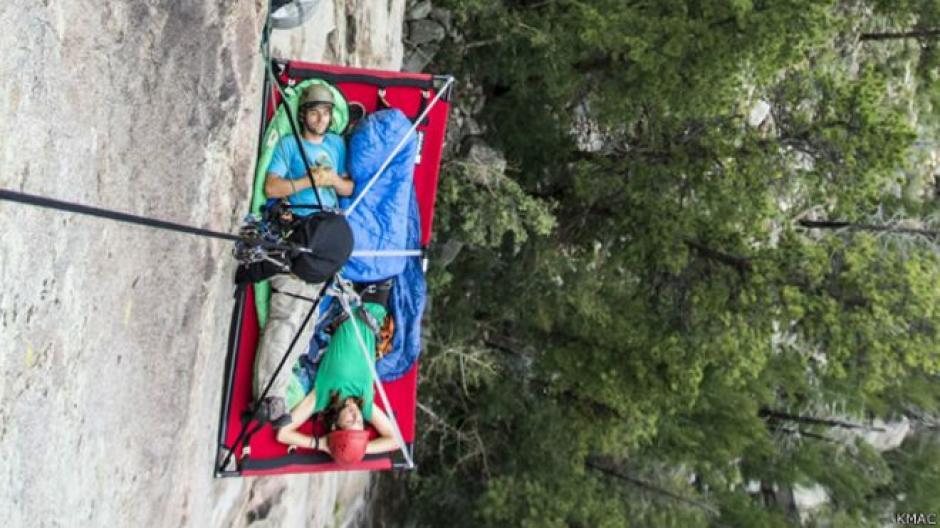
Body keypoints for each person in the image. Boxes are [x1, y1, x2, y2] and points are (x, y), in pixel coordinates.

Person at [254, 83, 355, 427]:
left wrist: (331, 181)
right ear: (303, 115)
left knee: (308, 322)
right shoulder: (289, 146)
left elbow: (348, 187)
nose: (321, 118)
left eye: (326, 113)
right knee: (290, 312)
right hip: (298, 231)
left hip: (327, 235)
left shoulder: (337, 145)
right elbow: (271, 188)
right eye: (314, 112)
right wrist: (306, 181)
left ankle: (278, 387)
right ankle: (270, 396)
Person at [275, 292, 402, 463]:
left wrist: (323, 444)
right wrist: (360, 447)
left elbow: (283, 434)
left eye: (350, 422)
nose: (356, 416)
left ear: (335, 426)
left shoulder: (321, 398)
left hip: (346, 298)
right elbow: (395, 440)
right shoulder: (365, 404)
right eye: (360, 423)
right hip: (374, 304)